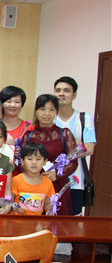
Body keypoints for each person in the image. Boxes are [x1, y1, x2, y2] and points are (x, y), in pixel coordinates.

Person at [19, 94, 78, 216]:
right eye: (42, 109)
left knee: (58, 223)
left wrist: (58, 174)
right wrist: (35, 175)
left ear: (56, 112)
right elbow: (21, 161)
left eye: (51, 109)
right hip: (33, 188)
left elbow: (73, 161)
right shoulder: (28, 135)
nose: (47, 113)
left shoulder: (65, 134)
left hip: (57, 187)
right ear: (36, 111)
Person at [53, 76, 97, 215]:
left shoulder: (84, 118)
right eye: (58, 90)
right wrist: (75, 145)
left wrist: (59, 149)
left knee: (73, 219)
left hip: (75, 180)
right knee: (49, 217)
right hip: (51, 178)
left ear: (74, 95)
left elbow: (89, 149)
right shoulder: (49, 118)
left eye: (66, 90)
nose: (61, 94)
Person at [12, 143, 55, 215]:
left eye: (38, 159)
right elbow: (9, 200)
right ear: (22, 161)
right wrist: (14, 207)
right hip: (17, 220)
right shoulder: (16, 180)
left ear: (45, 162)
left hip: (37, 221)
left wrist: (50, 211)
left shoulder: (48, 182)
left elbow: (48, 203)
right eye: (30, 159)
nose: (34, 162)